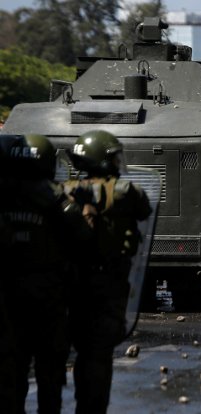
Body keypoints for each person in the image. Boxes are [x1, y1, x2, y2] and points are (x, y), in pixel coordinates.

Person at [0, 134, 91, 413]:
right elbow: (83, 242)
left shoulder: (4, 195)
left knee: (10, 370)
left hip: (8, 299)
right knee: (49, 372)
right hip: (49, 299)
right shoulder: (57, 199)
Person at [65, 130, 152, 413]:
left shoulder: (67, 192)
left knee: (80, 350)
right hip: (110, 282)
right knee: (99, 353)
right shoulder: (126, 192)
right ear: (102, 160)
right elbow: (143, 208)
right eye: (114, 157)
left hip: (73, 282)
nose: (118, 162)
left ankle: (81, 404)